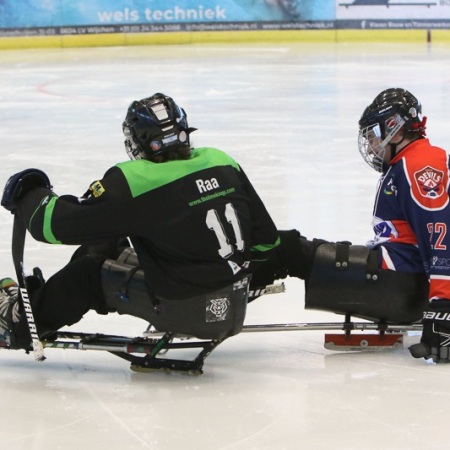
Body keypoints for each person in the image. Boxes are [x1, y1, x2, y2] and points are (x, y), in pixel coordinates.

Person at [0, 92, 313, 350]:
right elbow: (266, 241)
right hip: (235, 299)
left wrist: (31, 194)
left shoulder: (136, 181)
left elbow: (53, 226)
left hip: (184, 309)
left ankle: (18, 322)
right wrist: (232, 276)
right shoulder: (221, 160)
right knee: (106, 240)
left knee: (86, 274)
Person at [357, 87, 450, 363]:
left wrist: (443, 305)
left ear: (394, 129)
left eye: (374, 135)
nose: (372, 145)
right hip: (405, 267)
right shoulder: (405, 161)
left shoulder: (419, 164)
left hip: (410, 277)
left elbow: (438, 233)